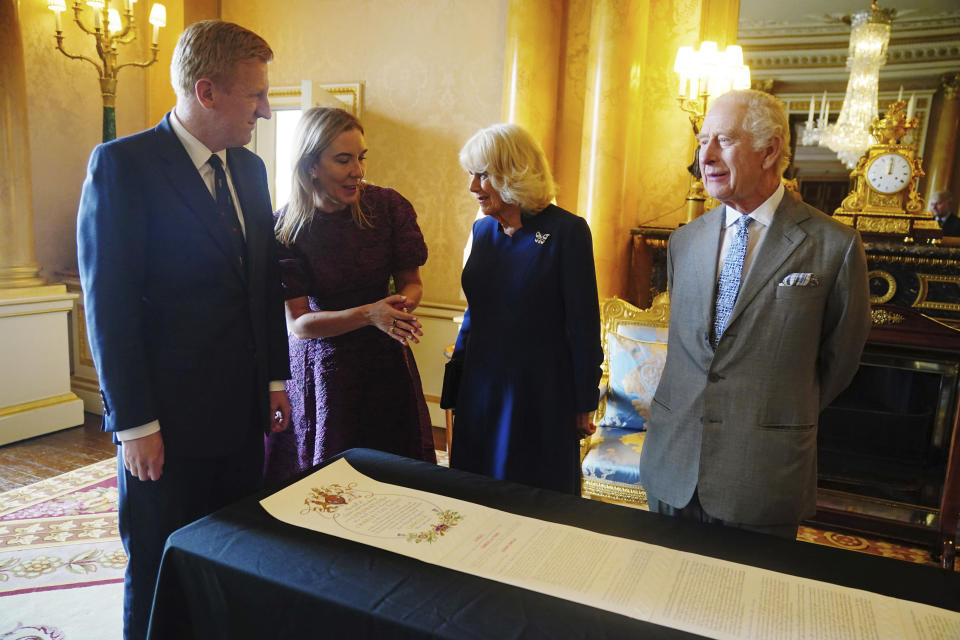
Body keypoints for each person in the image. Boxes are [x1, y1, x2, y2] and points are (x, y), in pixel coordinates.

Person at [76, 21, 291, 640]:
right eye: (256, 95)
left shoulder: (250, 171)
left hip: (244, 416)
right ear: (208, 92)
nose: (267, 110)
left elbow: (262, 284)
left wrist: (275, 378)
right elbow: (108, 305)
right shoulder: (123, 166)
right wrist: (135, 423)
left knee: (233, 553)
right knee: (160, 562)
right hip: (165, 424)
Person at [639, 89, 871, 540]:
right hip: (672, 463)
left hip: (763, 474)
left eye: (722, 140)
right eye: (702, 140)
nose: (705, 155)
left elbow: (839, 362)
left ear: (770, 151)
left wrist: (773, 410)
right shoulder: (684, 241)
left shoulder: (835, 246)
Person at [263, 106, 435, 486]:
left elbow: (413, 284)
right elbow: (300, 324)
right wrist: (370, 314)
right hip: (323, 373)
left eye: (361, 157)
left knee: (394, 477)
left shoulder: (389, 207)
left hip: (386, 362)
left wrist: (397, 308)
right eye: (344, 159)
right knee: (329, 487)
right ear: (311, 166)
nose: (358, 170)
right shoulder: (283, 229)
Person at [445, 123, 603, 495]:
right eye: (471, 175)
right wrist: (456, 382)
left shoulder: (567, 231)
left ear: (512, 173)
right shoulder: (483, 231)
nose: (473, 187)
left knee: (533, 498)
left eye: (483, 175)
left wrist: (585, 401)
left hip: (539, 393)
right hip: (480, 388)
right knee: (473, 493)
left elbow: (583, 325)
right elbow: (475, 312)